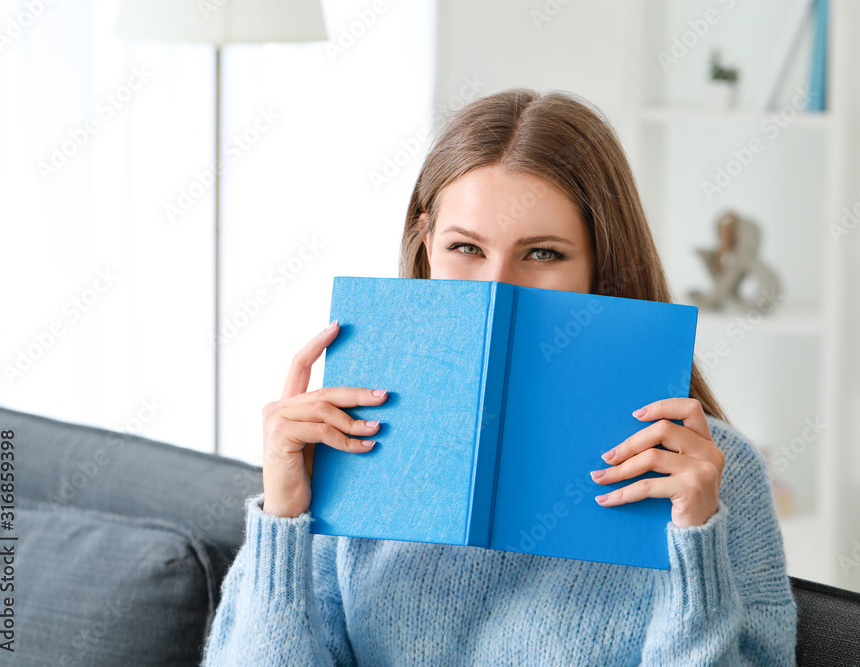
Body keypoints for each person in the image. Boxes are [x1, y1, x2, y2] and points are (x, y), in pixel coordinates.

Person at [200, 88, 798, 666]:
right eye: (465, 247)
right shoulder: (349, 444)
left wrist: (694, 546)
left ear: (603, 266)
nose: (496, 288)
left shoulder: (716, 476)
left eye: (542, 254)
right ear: (425, 243)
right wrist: (283, 518)